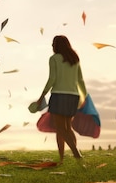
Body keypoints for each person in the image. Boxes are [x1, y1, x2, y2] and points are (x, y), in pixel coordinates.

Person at [35, 35, 86, 164]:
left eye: (53, 44)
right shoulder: (75, 59)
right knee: (67, 128)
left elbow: (52, 79)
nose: (52, 46)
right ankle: (62, 159)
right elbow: (80, 79)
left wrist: (42, 96)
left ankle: (76, 154)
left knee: (60, 128)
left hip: (59, 95)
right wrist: (84, 96)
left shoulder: (54, 59)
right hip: (73, 96)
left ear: (57, 45)